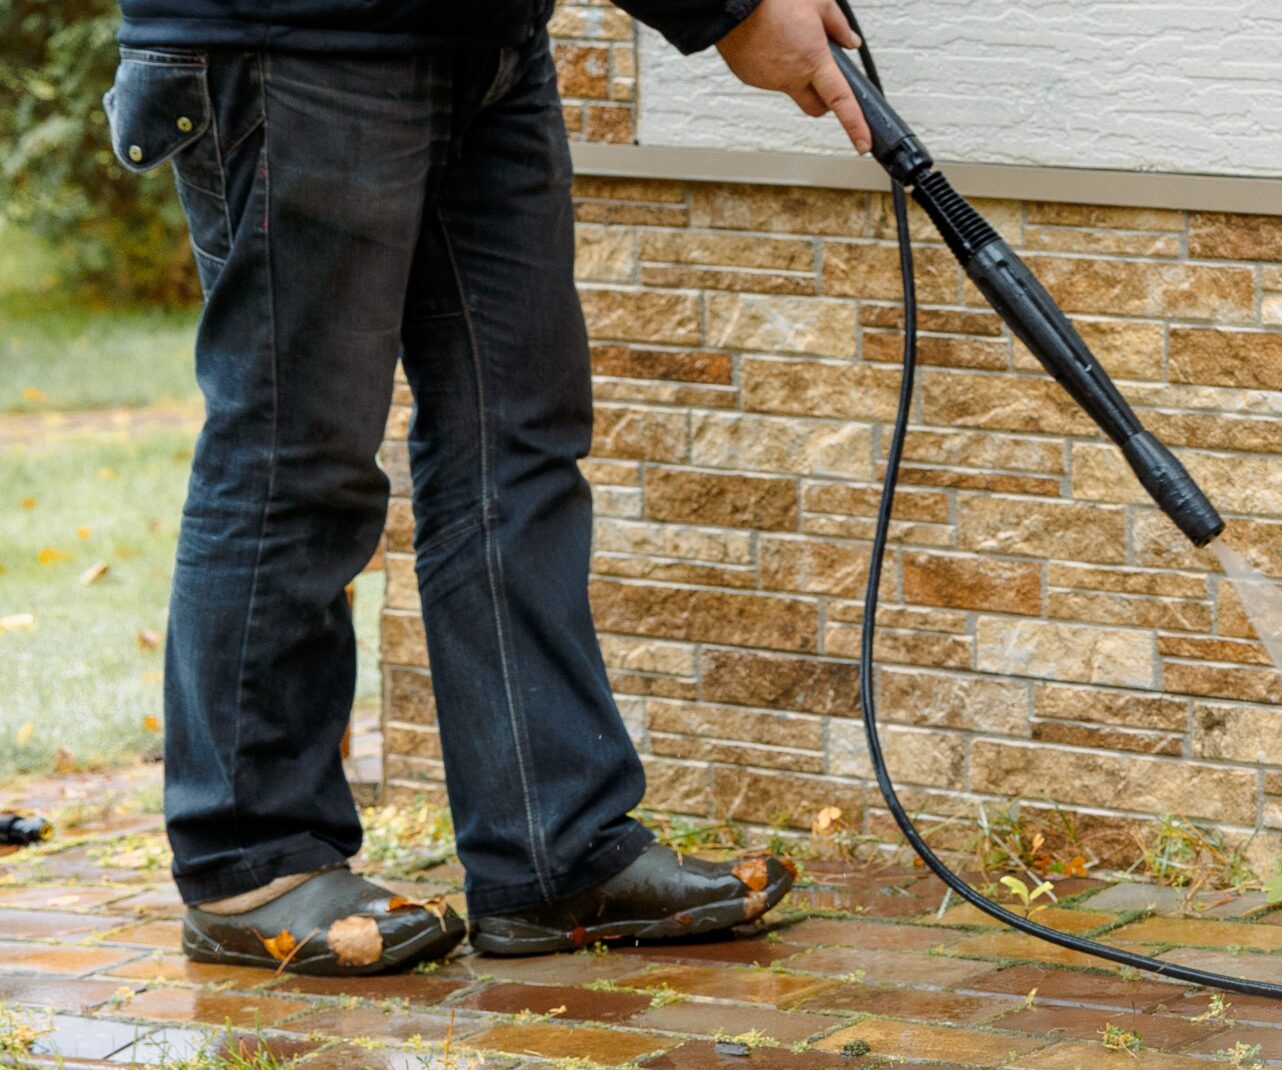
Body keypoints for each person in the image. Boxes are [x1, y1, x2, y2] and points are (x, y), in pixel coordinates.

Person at [104, 0, 875, 974]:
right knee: (297, 452)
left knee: (517, 444)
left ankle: (552, 851)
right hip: (296, 37)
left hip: (483, 41)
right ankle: (248, 863)